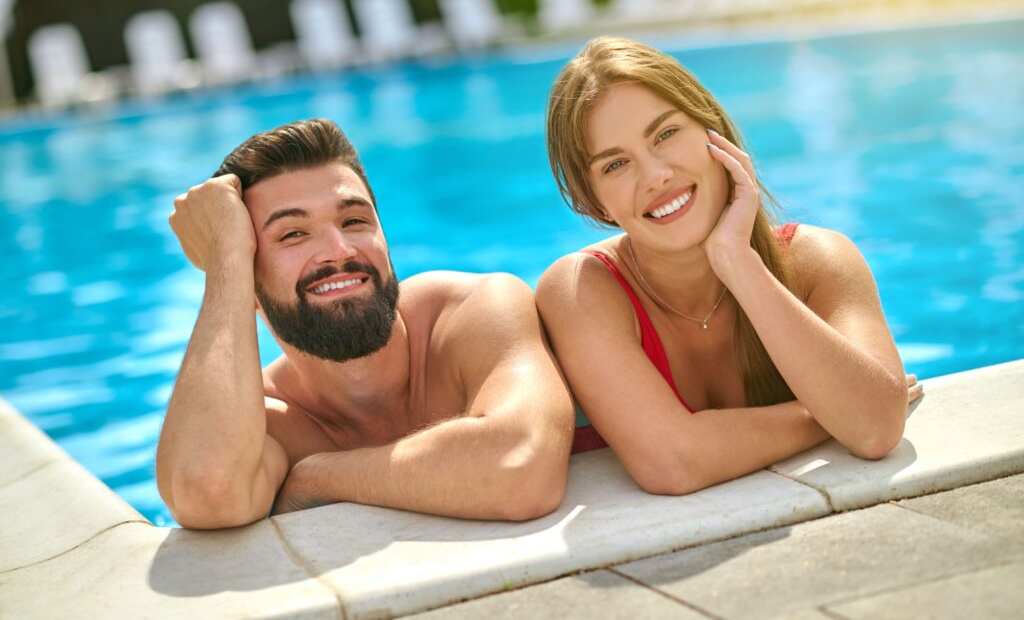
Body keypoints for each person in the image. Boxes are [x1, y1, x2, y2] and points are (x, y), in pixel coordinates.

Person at [537, 37, 922, 495]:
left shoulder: (817, 261)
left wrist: (740, 264)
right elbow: (672, 462)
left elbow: (877, 428)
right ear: (593, 202)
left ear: (711, 130)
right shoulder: (581, 289)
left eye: (665, 134)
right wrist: (822, 412)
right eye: (617, 164)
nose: (656, 175)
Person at [157, 118, 574, 529]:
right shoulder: (265, 421)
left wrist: (317, 477)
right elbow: (207, 491)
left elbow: (522, 466)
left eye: (354, 221)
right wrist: (225, 262)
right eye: (292, 234)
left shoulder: (473, 312)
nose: (338, 251)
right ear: (247, 282)